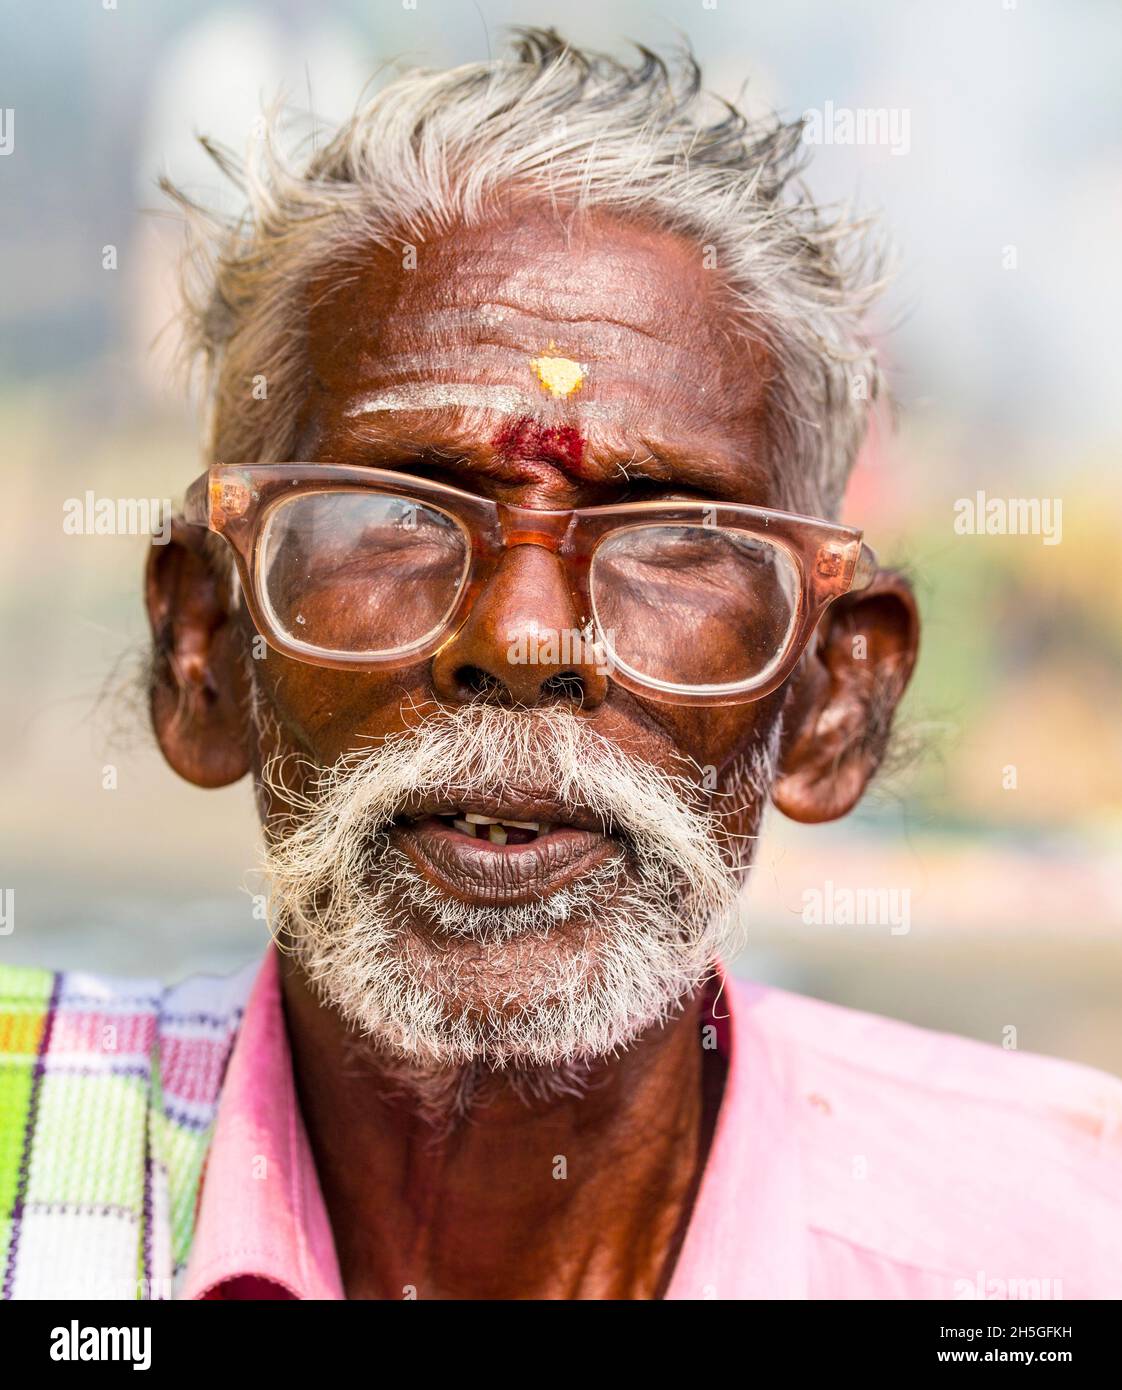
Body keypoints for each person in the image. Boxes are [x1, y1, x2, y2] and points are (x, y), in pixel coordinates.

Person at [2, 30, 1118, 1301]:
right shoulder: (27, 1153)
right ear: (202, 649)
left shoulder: (1059, 1244)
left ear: (831, 703)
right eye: (393, 512)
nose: (525, 639)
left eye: (670, 535)